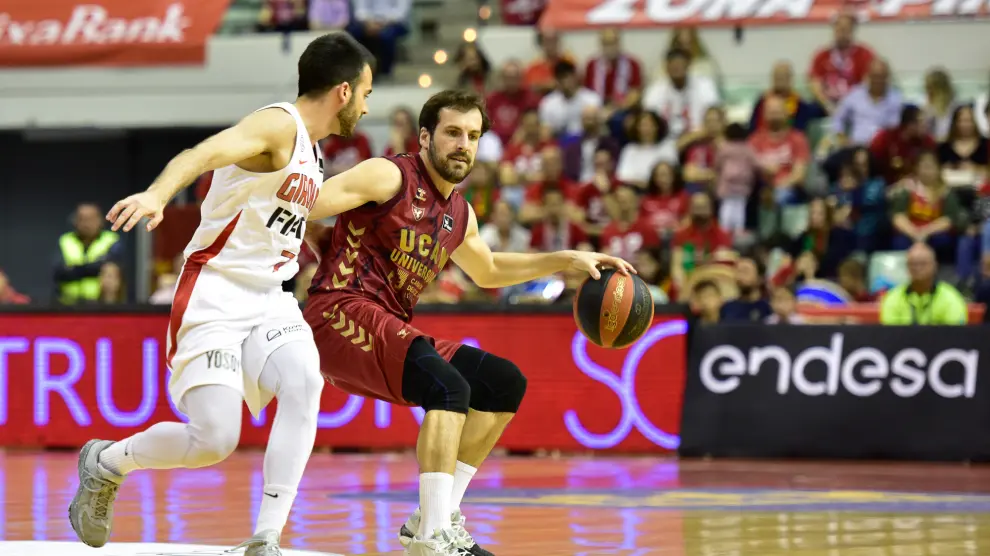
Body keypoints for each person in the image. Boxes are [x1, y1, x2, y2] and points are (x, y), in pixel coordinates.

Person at [66, 33, 375, 556]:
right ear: (344, 91)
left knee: (304, 381)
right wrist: (158, 193)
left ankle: (266, 537)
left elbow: (296, 211)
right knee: (214, 440)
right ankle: (107, 461)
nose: (368, 105)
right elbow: (203, 152)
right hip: (215, 290)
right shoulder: (277, 125)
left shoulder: (313, 150)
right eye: (366, 92)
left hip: (270, 297)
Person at [302, 89, 635, 556]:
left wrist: (565, 260)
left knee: (502, 382)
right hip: (337, 311)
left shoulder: (458, 214)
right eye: (453, 133)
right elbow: (306, 202)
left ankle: (433, 518)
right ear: (425, 136)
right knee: (449, 389)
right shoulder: (388, 174)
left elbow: (489, 270)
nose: (464, 145)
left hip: (384, 323)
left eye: (474, 136)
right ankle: (432, 536)